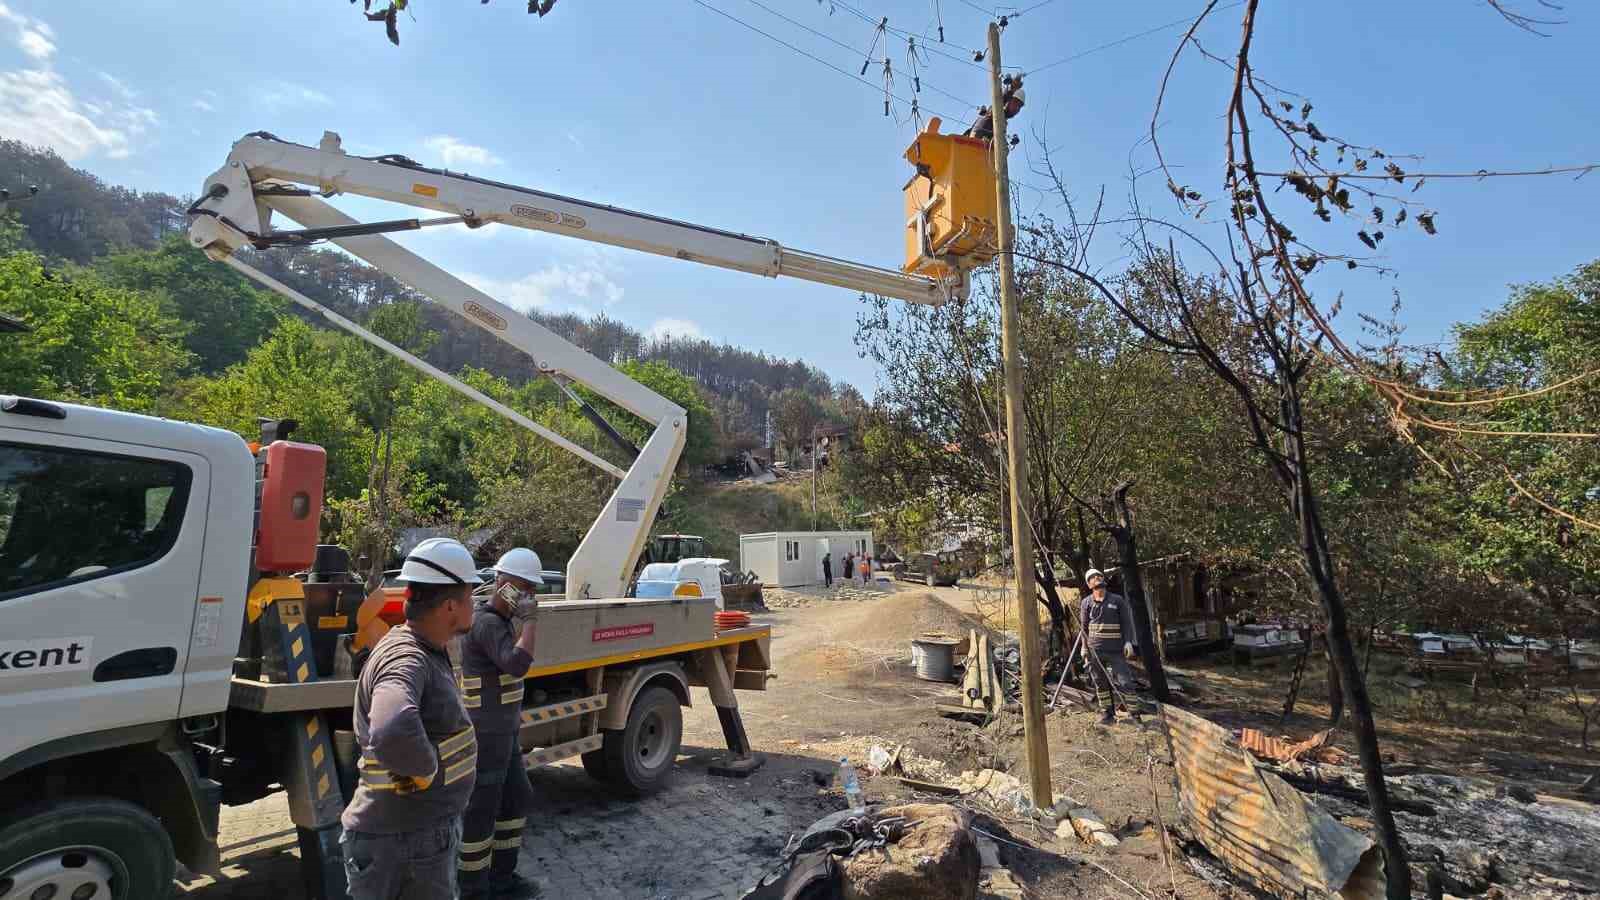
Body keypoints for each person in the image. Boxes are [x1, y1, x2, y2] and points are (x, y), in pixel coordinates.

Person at [342, 537, 482, 900]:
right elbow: (392, 727)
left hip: (407, 836)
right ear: (450, 606)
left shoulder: (422, 647)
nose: (475, 603)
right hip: (408, 842)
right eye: (471, 595)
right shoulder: (408, 657)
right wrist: (427, 771)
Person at [458, 548, 543, 899]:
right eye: (523, 588)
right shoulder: (487, 623)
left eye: (531, 590)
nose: (528, 597)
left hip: (504, 732)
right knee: (483, 808)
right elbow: (517, 664)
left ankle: (502, 878)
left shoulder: (502, 621)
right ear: (502, 583)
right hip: (487, 735)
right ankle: (473, 888)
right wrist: (531, 622)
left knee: (516, 797)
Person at [1079, 568, 1137, 725]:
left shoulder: (1117, 600)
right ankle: (1107, 714)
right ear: (1089, 584)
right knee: (1100, 683)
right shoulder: (1086, 603)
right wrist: (1084, 648)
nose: (1096, 578)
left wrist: (1128, 642)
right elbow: (1083, 628)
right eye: (1092, 577)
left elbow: (1126, 623)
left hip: (1116, 650)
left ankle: (1135, 715)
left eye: (1099, 576)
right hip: (1094, 651)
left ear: (1103, 580)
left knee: (1125, 682)